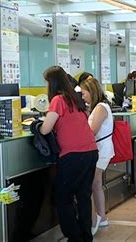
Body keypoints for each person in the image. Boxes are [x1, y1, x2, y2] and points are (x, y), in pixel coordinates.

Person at [39, 66, 98, 242]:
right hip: (90, 152)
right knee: (83, 196)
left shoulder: (58, 100)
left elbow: (45, 129)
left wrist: (39, 124)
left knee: (63, 198)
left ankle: (74, 237)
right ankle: (85, 237)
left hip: (73, 155)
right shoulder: (75, 99)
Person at [79, 77, 114, 236]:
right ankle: (102, 217)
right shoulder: (97, 107)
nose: (83, 96)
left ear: (91, 91)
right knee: (96, 183)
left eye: (84, 93)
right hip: (101, 149)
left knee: (92, 183)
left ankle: (94, 220)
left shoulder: (100, 107)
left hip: (101, 150)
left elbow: (91, 131)